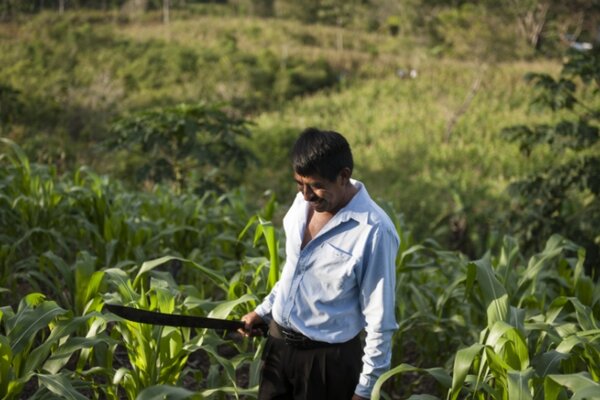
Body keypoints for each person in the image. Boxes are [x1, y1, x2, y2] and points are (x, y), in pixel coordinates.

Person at [241, 127, 399, 399]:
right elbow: (294, 272)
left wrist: (366, 389)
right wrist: (264, 311)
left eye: (315, 185)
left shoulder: (373, 230)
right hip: (278, 348)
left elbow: (380, 319)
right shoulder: (301, 206)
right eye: (299, 184)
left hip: (327, 364)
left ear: (343, 176)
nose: (306, 195)